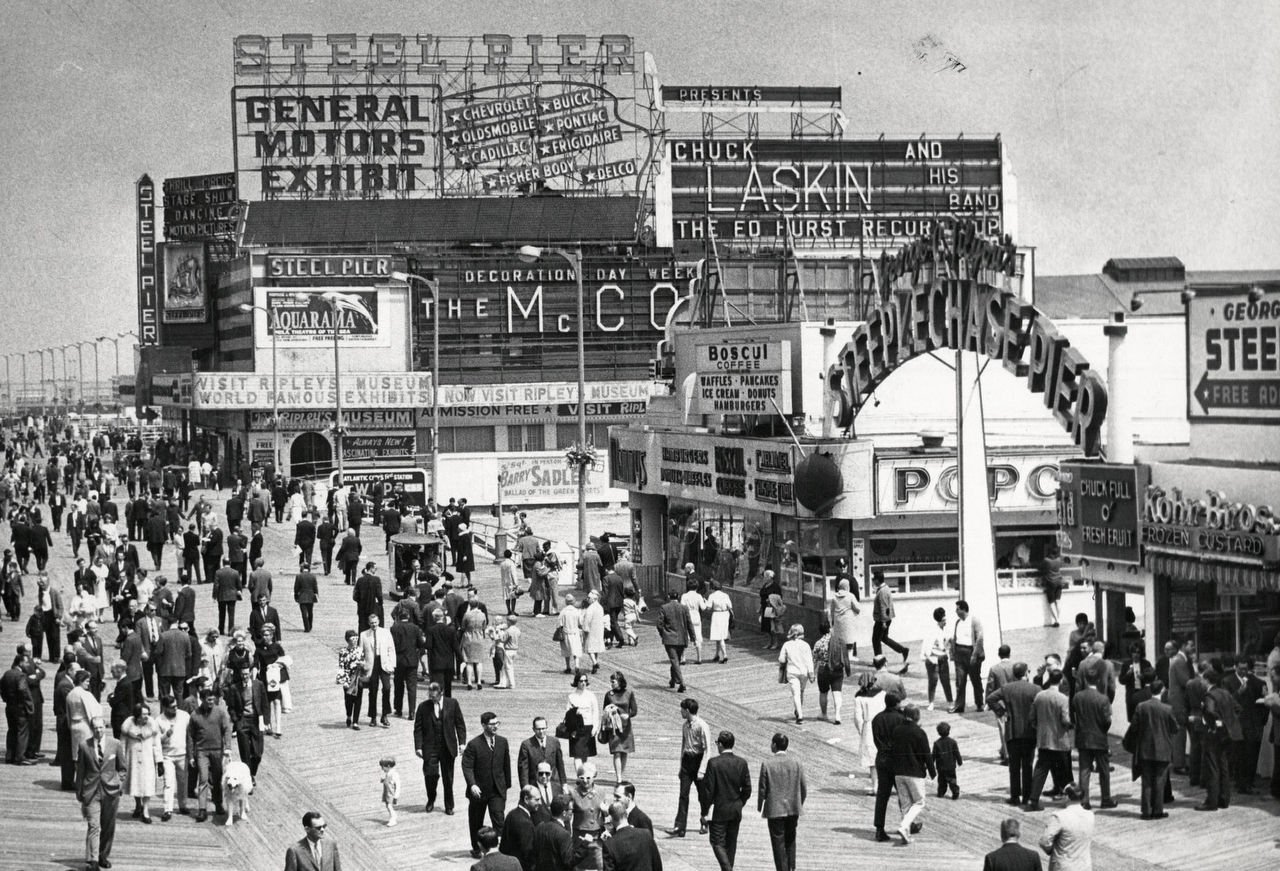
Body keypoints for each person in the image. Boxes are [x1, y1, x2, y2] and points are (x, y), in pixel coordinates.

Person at [76, 716, 127, 871]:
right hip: (91, 791)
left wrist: (120, 782)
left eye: (101, 727)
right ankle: (92, 861)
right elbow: (80, 771)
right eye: (95, 728)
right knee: (94, 825)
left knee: (108, 826)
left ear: (105, 727)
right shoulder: (85, 746)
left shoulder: (115, 744)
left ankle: (102, 856)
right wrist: (80, 793)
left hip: (110, 790)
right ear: (92, 729)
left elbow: (122, 767)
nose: (98, 730)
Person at [987, 662, 1040, 807]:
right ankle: (1027, 796)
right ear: (1026, 673)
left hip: (1012, 731)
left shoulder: (1006, 688)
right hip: (1029, 732)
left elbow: (990, 699)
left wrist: (1001, 712)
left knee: (1014, 766)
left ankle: (1015, 796)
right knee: (1028, 765)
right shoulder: (1035, 689)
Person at [461, 711, 511, 860]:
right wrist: (472, 785)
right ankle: (477, 848)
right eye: (492, 724)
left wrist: (506, 784)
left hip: (497, 789)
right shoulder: (474, 744)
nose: (495, 727)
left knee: (499, 819)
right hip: (479, 791)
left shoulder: (502, 742)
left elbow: (506, 764)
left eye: (497, 723)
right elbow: (467, 766)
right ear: (483, 725)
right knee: (476, 820)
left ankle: (499, 848)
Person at [1025, 670, 1075, 811]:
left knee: (1040, 770)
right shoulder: (1063, 698)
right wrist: (1071, 725)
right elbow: (1065, 720)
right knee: (1066, 771)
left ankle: (1033, 799)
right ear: (1060, 681)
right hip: (1060, 740)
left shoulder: (1040, 696)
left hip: (1044, 739)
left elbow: (1032, 718)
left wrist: (1039, 728)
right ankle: (1073, 799)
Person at [414, 681, 467, 814]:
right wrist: (418, 746)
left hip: (447, 746)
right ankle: (431, 799)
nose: (432, 699)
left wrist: (462, 743)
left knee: (448, 778)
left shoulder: (452, 704)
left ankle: (449, 805)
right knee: (430, 775)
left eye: (434, 697)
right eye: (430, 696)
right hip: (430, 747)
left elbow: (460, 724)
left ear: (441, 693)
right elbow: (418, 728)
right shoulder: (423, 707)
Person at [703, 729, 751, 871]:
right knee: (731, 843)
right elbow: (747, 789)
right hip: (735, 809)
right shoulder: (741, 763)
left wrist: (705, 811)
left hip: (719, 809)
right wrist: (740, 802)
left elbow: (709, 791)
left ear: (721, 745)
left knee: (717, 842)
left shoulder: (713, 763)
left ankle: (727, 869)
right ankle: (728, 867)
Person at [757, 732, 805, 871]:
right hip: (793, 807)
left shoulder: (767, 763)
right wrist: (799, 802)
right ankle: (791, 867)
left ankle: (782, 869)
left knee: (778, 841)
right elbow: (803, 786)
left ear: (774, 745)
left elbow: (762, 788)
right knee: (790, 839)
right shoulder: (796, 762)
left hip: (775, 809)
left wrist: (761, 805)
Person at [1199, 666, 1243, 811]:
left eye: (1202, 679)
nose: (1201, 681)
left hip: (1213, 735)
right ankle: (1224, 799)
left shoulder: (1209, 695)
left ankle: (1211, 801)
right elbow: (1238, 708)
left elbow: (1211, 712)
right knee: (1223, 766)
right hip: (1228, 735)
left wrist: (1213, 725)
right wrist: (1229, 723)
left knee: (1212, 767)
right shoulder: (1225, 693)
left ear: (1207, 680)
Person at [669, 697, 713, 837]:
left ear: (687, 711)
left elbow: (707, 749)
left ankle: (705, 820)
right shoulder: (685, 726)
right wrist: (681, 766)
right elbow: (684, 745)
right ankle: (680, 826)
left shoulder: (702, 725)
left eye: (682, 710)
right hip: (687, 761)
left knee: (703, 795)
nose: (681, 712)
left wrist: (702, 769)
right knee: (683, 795)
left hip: (699, 760)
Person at [889, 705, 933, 844]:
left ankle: (906, 833)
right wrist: (932, 771)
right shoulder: (919, 732)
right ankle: (903, 827)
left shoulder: (896, 730)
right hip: (914, 772)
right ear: (917, 716)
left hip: (898, 772)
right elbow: (926, 754)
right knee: (919, 802)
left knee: (905, 804)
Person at [1072, 677, 1116, 810]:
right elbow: (1107, 721)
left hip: (1083, 738)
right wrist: (1102, 730)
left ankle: (1084, 800)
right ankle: (1106, 798)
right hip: (1099, 738)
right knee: (1104, 770)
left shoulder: (1077, 697)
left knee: (1084, 770)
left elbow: (1075, 716)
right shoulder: (1103, 699)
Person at [120, 701, 163, 823]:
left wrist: (159, 761)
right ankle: (138, 805)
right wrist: (121, 761)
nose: (146, 716)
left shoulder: (152, 726)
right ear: (137, 715)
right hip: (133, 759)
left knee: (147, 784)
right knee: (135, 783)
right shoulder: (127, 727)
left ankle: (146, 811)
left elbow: (156, 745)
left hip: (147, 760)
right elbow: (122, 744)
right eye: (143, 714)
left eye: (147, 713)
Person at [871, 692, 905, 842]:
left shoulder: (877, 719)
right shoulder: (901, 719)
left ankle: (879, 828)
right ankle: (907, 824)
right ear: (896, 704)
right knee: (904, 794)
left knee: (882, 795)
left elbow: (876, 740)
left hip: (882, 757)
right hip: (898, 760)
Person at [1038, 785, 1094, 870]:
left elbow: (1045, 841)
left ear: (1067, 797)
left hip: (1064, 866)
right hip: (1084, 866)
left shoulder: (1059, 817)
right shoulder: (1090, 815)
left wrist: (1051, 851)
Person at [225, 667, 267, 780]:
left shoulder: (258, 685)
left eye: (247, 674)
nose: (245, 676)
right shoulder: (234, 688)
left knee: (258, 753)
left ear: (250, 673)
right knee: (245, 752)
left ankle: (252, 772)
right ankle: (249, 777)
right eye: (243, 674)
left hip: (255, 720)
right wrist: (236, 720)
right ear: (240, 674)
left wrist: (266, 721)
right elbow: (231, 707)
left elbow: (264, 703)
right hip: (242, 721)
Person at [850, 672, 886, 794]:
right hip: (882, 724)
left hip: (869, 726)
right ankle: (885, 785)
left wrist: (861, 731)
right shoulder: (882, 693)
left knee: (872, 759)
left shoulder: (859, 697)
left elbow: (857, 718)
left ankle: (876, 786)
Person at [155, 694, 190, 820]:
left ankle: (183, 805)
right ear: (165, 708)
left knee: (183, 782)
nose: (175, 709)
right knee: (168, 783)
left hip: (182, 754)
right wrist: (166, 735)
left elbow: (190, 735)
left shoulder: (185, 716)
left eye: (176, 706)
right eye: (172, 707)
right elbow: (156, 741)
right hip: (167, 756)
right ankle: (167, 809)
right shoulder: (158, 720)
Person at [359, 613, 395, 728]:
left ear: (378, 622)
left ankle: (384, 715)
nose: (374, 625)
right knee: (373, 690)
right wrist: (363, 666)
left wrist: (391, 665)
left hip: (383, 663)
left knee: (387, 688)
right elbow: (361, 653)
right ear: (369, 623)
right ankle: (373, 717)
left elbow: (391, 649)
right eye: (371, 623)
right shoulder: (364, 635)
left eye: (375, 622)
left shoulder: (386, 632)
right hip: (371, 664)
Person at [950, 599, 986, 713]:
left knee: (975, 679)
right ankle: (959, 705)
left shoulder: (974, 621)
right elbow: (955, 638)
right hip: (959, 654)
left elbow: (980, 638)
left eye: (958, 609)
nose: (956, 611)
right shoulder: (958, 622)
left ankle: (980, 703)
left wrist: (975, 655)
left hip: (971, 652)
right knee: (960, 681)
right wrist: (953, 653)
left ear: (964, 609)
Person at [533, 794, 585, 871]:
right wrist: (584, 846)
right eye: (571, 810)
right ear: (564, 813)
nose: (572, 812)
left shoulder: (540, 827)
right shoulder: (564, 834)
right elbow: (569, 862)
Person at [602, 670, 637, 783]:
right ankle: (619, 778)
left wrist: (628, 715)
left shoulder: (629, 693)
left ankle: (621, 773)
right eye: (611, 682)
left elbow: (634, 710)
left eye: (613, 681)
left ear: (619, 682)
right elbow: (604, 710)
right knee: (616, 751)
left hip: (626, 727)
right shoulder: (608, 695)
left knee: (624, 752)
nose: (611, 684)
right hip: (613, 727)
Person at [656, 590, 693, 693]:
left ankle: (681, 682)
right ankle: (673, 680)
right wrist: (693, 637)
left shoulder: (664, 607)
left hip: (669, 638)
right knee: (676, 660)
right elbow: (689, 623)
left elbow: (659, 624)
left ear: (668, 596)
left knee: (674, 660)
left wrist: (663, 633)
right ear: (678, 596)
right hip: (681, 638)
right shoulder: (684, 608)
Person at [777, 623, 815, 724]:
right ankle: (799, 710)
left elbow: (781, 659)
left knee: (795, 694)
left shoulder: (787, 644)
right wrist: (811, 673)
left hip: (792, 671)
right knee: (801, 692)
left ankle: (800, 715)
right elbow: (809, 661)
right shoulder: (806, 645)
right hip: (804, 672)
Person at [2, 651, 35, 764]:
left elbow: (1, 687)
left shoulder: (7, 673)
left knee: (11, 730)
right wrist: (28, 704)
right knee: (22, 731)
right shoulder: (20, 675)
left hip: (9, 706)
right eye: (25, 663)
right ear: (20, 663)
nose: (27, 665)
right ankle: (20, 756)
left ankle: (9, 755)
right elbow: (22, 689)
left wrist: (6, 698)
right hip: (20, 707)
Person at [870, 570, 909, 668]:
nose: (873, 581)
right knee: (884, 638)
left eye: (874, 579)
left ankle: (880, 661)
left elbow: (884, 607)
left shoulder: (882, 591)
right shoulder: (885, 588)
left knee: (875, 640)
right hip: (886, 618)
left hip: (882, 619)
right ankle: (902, 650)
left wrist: (883, 622)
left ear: (878, 580)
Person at [564, 670, 599, 775]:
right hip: (576, 728)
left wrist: (595, 727)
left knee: (585, 754)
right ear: (576, 682)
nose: (583, 683)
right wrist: (575, 712)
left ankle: (584, 773)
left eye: (585, 681)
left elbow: (595, 711)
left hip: (588, 726)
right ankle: (580, 776)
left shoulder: (591, 695)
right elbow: (567, 714)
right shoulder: (572, 696)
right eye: (581, 681)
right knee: (577, 754)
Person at [501, 787, 544, 871]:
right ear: (526, 799)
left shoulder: (511, 814)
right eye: (537, 800)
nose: (539, 803)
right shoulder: (524, 822)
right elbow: (527, 853)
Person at [923, 607, 954, 712]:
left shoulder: (946, 630)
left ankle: (950, 702)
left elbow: (949, 642)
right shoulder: (932, 631)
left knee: (946, 681)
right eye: (943, 621)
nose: (945, 622)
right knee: (933, 681)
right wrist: (931, 658)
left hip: (943, 658)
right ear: (939, 621)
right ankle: (931, 702)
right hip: (933, 659)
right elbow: (927, 648)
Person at [827, 576, 860, 670]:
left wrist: (832, 621)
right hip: (848, 620)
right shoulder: (850, 596)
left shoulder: (834, 597)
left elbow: (831, 610)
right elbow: (857, 608)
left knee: (840, 639)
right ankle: (849, 656)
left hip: (838, 620)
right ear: (847, 586)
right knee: (850, 638)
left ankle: (840, 657)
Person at [336, 629, 365, 730]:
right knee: (348, 700)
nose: (355, 641)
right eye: (353, 639)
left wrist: (362, 664)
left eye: (356, 638)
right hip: (348, 677)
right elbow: (341, 666)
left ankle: (355, 721)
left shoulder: (360, 650)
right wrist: (343, 681)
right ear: (348, 640)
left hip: (357, 677)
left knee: (358, 699)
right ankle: (349, 715)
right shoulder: (343, 651)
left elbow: (363, 661)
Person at [680, 578, 708, 663]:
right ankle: (699, 658)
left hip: (687, 616)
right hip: (696, 616)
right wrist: (706, 602)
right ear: (696, 587)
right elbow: (703, 608)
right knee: (697, 637)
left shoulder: (684, 596)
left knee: (685, 638)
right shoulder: (699, 596)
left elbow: (682, 607)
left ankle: (683, 658)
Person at [932, 721, 962, 799]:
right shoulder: (953, 742)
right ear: (949, 731)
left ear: (938, 732)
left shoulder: (937, 743)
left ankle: (941, 792)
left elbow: (933, 755)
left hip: (941, 767)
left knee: (941, 781)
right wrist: (959, 761)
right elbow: (956, 753)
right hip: (951, 766)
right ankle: (955, 791)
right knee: (952, 780)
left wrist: (931, 763)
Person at [1037, 545, 1066, 627]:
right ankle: (1058, 619)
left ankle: (1056, 620)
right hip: (1059, 583)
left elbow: (1040, 568)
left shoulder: (1046, 561)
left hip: (1050, 583)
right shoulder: (1059, 560)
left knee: (1051, 602)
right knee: (1058, 601)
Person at [705, 581, 733, 663]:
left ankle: (725, 655)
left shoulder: (712, 596)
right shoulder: (725, 595)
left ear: (712, 588)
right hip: (725, 614)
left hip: (717, 614)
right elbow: (730, 606)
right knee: (721, 634)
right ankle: (717, 654)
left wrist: (705, 602)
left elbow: (709, 607)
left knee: (719, 636)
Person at [556, 594, 584, 675]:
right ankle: (577, 665)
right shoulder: (577, 611)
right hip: (575, 633)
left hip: (566, 633)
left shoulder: (563, 612)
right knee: (576, 650)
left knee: (566, 650)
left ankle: (568, 667)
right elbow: (580, 623)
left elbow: (559, 624)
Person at [212, 558, 241, 636]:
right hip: (232, 595)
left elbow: (216, 585)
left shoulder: (218, 572)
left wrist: (214, 596)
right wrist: (239, 591)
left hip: (222, 595)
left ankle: (221, 629)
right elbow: (239, 584)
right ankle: (231, 630)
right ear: (230, 562)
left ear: (222, 563)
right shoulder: (235, 572)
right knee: (231, 614)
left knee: (222, 613)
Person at [352, 561, 383, 632]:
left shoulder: (360, 580)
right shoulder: (376, 579)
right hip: (373, 608)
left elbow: (355, 596)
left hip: (362, 608)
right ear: (371, 568)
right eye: (375, 568)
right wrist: (380, 604)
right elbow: (379, 595)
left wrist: (361, 601)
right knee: (373, 627)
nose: (376, 570)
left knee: (362, 627)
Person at [581, 589, 607, 673]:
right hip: (599, 629)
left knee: (589, 648)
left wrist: (585, 628)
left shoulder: (590, 608)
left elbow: (587, 620)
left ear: (594, 599)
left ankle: (595, 663)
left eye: (589, 598)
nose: (588, 599)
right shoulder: (600, 607)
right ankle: (594, 664)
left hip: (591, 630)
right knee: (595, 648)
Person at [293, 561, 319, 633]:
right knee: (310, 612)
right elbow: (315, 587)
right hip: (311, 595)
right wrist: (316, 594)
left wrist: (296, 595)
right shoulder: (313, 576)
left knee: (304, 613)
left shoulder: (299, 576)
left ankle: (306, 627)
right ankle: (310, 625)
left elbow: (296, 587)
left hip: (302, 595)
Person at [380, 755, 401, 826]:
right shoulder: (388, 774)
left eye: (383, 767)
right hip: (387, 792)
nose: (382, 769)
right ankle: (392, 816)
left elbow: (397, 785)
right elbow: (388, 781)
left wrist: (396, 796)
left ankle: (393, 817)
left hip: (391, 793)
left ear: (388, 766)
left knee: (389, 805)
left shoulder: (394, 774)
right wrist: (383, 780)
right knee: (387, 805)